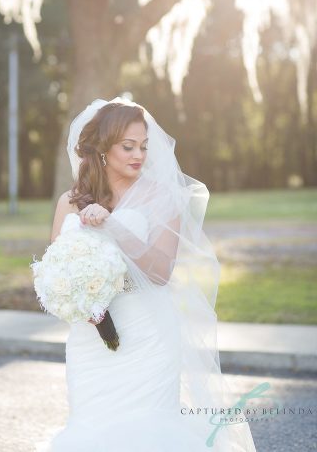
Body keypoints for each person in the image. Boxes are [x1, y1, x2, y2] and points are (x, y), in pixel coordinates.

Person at [38, 98, 256, 451]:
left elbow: (159, 272)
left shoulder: (164, 197)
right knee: (90, 427)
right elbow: (54, 267)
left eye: (143, 146)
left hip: (147, 333)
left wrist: (112, 227)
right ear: (104, 149)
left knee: (150, 429)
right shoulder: (70, 201)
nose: (138, 154)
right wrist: (78, 296)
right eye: (128, 146)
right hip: (88, 342)